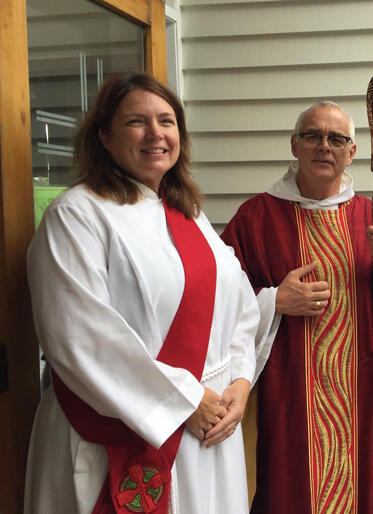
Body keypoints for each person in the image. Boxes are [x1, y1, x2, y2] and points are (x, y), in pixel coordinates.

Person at [24, 73, 277, 514]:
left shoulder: (189, 215)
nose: (156, 134)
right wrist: (186, 400)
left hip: (209, 430)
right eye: (137, 122)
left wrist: (239, 381)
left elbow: (237, 305)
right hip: (124, 428)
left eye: (167, 121)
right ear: (104, 136)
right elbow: (81, 337)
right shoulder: (77, 215)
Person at [220, 101, 373, 514]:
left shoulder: (372, 216)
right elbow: (220, 305)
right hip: (285, 398)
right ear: (294, 145)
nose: (324, 146)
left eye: (337, 138)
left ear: (352, 152)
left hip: (362, 396)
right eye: (313, 136)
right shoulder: (255, 219)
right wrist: (274, 301)